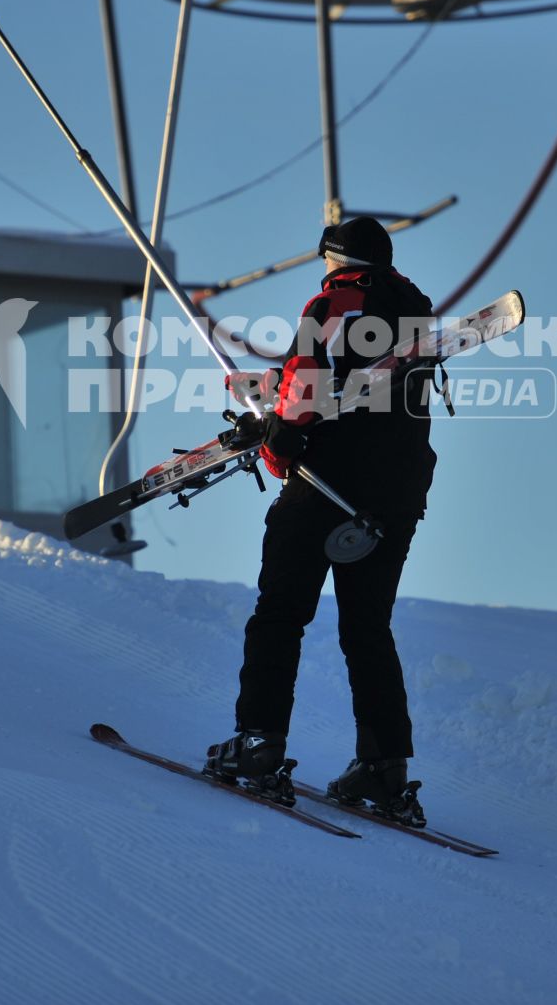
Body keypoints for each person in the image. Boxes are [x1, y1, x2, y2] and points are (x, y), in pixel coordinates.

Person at [203, 216, 439, 827]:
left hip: (325, 486)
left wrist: (279, 447)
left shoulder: (336, 301)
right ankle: (384, 770)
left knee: (280, 614)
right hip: (396, 498)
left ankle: (258, 742)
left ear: (336, 259)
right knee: (368, 629)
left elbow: (308, 387)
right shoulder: (414, 312)